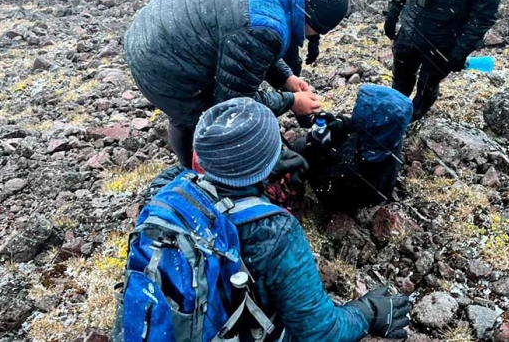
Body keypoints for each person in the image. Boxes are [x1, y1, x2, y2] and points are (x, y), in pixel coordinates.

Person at [143, 98, 410, 341]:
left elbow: (195, 174)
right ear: (268, 164)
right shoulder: (274, 231)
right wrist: (368, 312)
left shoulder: (164, 194)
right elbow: (321, 332)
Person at [124, 0, 349, 167]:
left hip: (154, 29)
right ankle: (200, 177)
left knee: (208, 112)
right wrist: (291, 102)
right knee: (209, 119)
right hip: (160, 61)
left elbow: (245, 42)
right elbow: (235, 104)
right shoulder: (266, 28)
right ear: (314, 20)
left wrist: (286, 79)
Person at [293, 85, 413, 212]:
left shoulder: (354, 165)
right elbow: (358, 129)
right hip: (368, 184)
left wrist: (316, 151)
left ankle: (296, 194)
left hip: (347, 197)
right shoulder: (389, 132)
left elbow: (333, 179)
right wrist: (340, 123)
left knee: (301, 145)